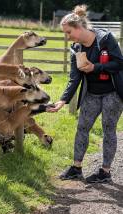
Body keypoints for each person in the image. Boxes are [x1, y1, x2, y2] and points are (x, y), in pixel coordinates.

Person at [47, 5, 123, 183]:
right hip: (92, 93)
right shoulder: (76, 49)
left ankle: (105, 172)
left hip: (112, 92)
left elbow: (120, 63)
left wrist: (95, 67)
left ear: (79, 28)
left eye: (68, 32)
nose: (67, 38)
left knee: (108, 130)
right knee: (82, 127)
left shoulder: (106, 39)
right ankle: (76, 168)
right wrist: (62, 101)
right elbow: (74, 78)